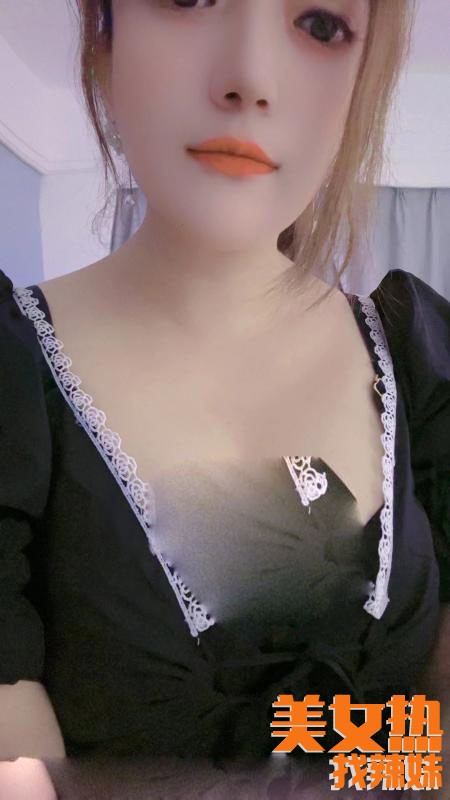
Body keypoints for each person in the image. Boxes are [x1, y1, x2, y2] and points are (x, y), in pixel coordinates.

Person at [0, 0, 449, 796]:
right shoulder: (13, 370)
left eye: (320, 25)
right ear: (104, 37)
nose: (250, 78)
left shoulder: (422, 358)